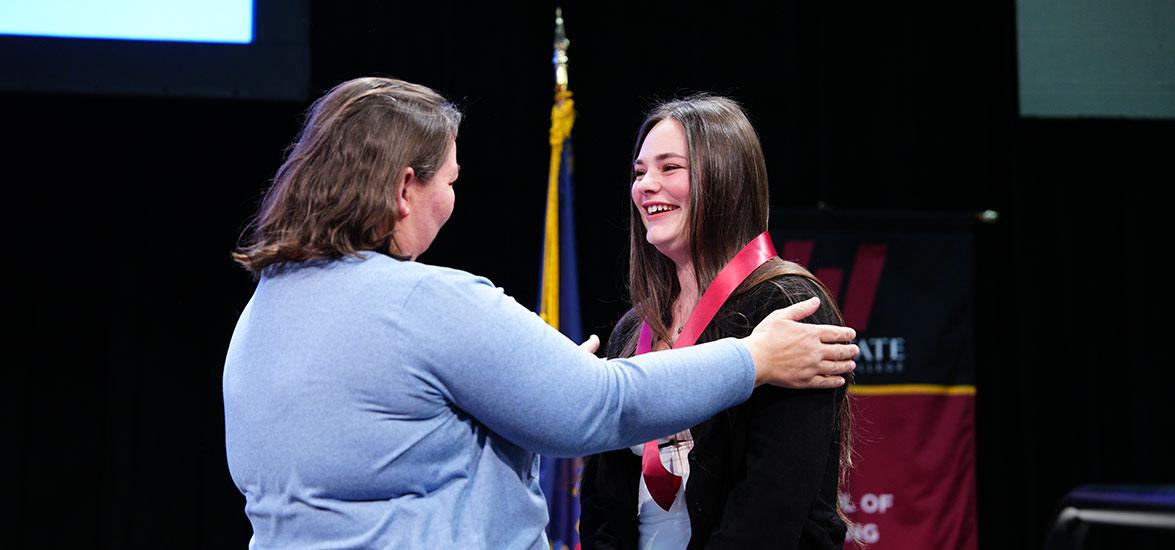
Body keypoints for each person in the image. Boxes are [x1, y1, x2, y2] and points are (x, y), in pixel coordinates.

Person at [222, 77, 858, 549]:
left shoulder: (260, 315)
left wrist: (529, 391)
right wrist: (754, 358)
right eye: (449, 180)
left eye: (671, 168)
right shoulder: (424, 301)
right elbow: (598, 407)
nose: (450, 201)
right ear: (402, 188)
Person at [579, 95, 852, 549]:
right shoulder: (633, 329)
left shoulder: (788, 306)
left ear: (724, 178)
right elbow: (603, 507)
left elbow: (769, 511)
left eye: (669, 168)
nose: (646, 185)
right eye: (640, 171)